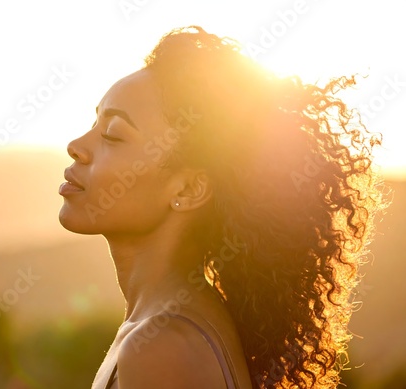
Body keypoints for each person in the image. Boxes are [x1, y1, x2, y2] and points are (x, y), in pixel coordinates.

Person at [58, 26, 385, 389]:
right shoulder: (161, 326)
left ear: (189, 187)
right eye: (93, 124)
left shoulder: (162, 347)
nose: (76, 146)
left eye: (113, 134)